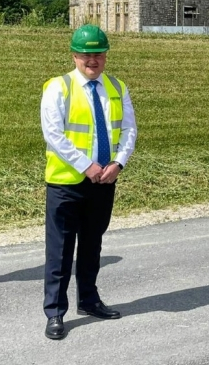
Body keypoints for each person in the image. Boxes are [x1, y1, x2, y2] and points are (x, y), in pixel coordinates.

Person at [40, 24, 137, 340]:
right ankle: (55, 312)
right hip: (67, 183)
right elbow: (54, 135)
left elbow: (130, 130)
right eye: (85, 54)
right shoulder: (59, 87)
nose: (91, 60)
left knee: (92, 244)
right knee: (61, 250)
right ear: (74, 55)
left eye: (97, 54)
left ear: (106, 55)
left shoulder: (117, 88)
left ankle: (89, 300)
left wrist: (118, 163)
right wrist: (88, 167)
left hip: (104, 181)